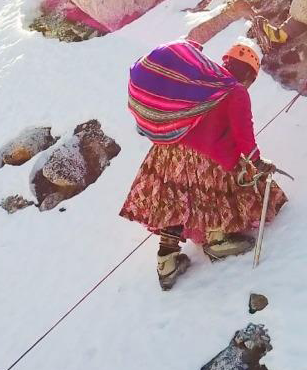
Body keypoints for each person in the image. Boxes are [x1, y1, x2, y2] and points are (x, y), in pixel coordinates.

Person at [121, 40, 288, 290]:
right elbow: (244, 136)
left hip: (170, 151)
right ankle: (217, 240)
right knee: (211, 194)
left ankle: (166, 261)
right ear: (250, 76)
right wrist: (257, 161)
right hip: (208, 158)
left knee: (174, 200)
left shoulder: (201, 81)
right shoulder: (235, 91)